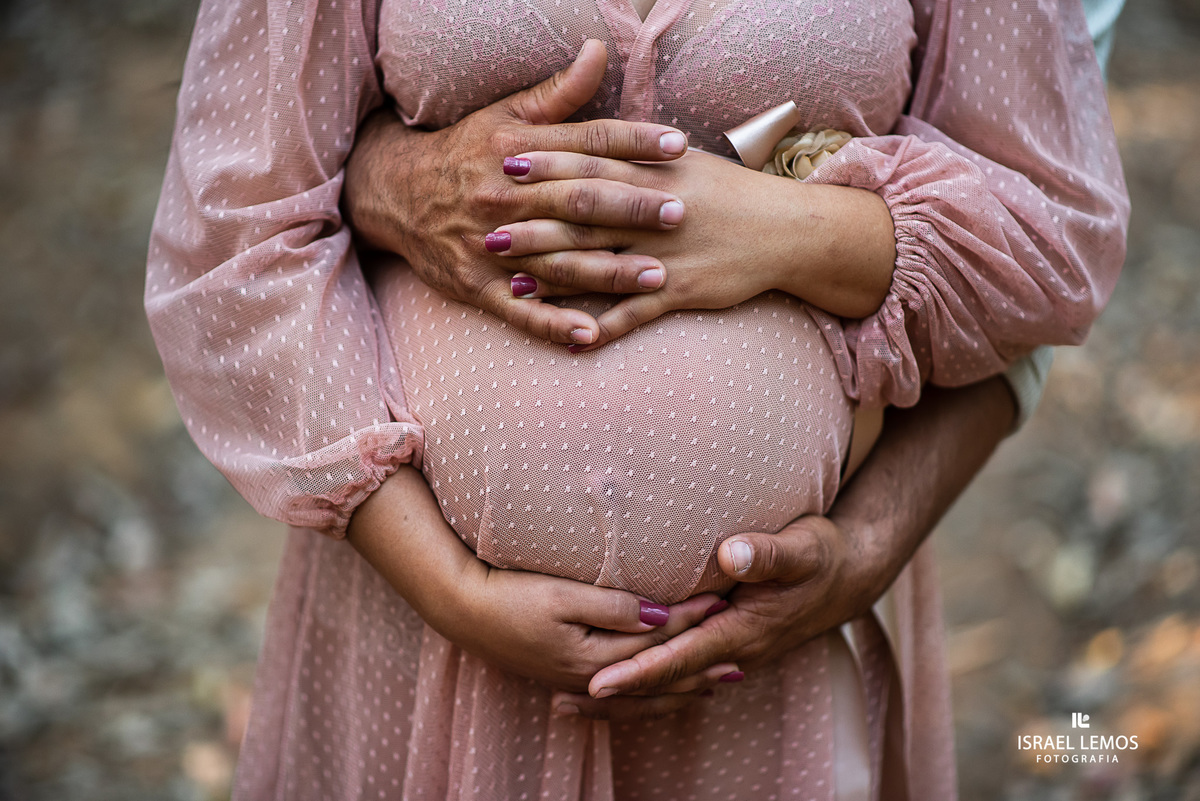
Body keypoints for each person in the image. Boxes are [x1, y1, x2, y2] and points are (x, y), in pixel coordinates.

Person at [145, 0, 1128, 797]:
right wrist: (446, 586)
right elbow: (238, 226)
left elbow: (1053, 238)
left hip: (777, 662)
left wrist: (792, 233)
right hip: (425, 644)